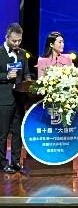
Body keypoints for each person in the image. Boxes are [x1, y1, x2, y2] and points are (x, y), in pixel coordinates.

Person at [0, 23, 31, 174]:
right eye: (13, 40)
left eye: (19, 40)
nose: (16, 43)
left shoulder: (22, 53)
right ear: (7, 37)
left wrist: (29, 82)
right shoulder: (0, 53)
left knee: (17, 132)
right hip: (4, 99)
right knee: (3, 133)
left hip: (19, 99)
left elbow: (26, 73)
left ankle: (16, 161)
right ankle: (2, 163)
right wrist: (6, 76)